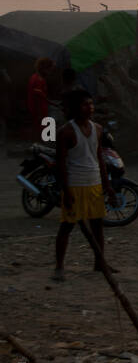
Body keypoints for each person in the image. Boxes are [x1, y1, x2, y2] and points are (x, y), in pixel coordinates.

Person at [53, 89, 117, 280]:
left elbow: (99, 158)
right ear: (75, 108)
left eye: (91, 104)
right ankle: (59, 267)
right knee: (67, 226)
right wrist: (66, 191)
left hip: (94, 182)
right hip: (75, 184)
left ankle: (99, 262)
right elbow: (61, 165)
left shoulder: (97, 129)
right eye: (85, 104)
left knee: (97, 226)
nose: (90, 108)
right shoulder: (66, 132)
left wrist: (108, 186)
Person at [27, 57, 54, 138]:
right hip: (39, 110)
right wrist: (39, 113)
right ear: (44, 68)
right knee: (41, 132)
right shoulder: (38, 80)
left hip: (39, 109)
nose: (51, 72)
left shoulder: (36, 77)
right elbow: (37, 98)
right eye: (50, 69)